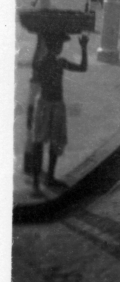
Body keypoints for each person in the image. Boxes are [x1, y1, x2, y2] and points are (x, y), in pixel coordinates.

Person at [31, 32, 89, 196]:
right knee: (41, 143)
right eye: (59, 45)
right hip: (49, 104)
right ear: (54, 46)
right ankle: (40, 181)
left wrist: (83, 48)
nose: (61, 47)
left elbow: (82, 68)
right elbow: (82, 67)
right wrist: (83, 49)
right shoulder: (53, 63)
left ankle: (46, 179)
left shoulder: (48, 62)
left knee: (48, 142)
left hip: (53, 105)